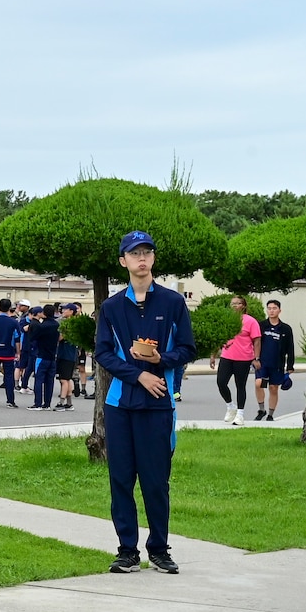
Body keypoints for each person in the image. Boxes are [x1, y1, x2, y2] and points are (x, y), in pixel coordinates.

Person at [94, 231, 194, 574]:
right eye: (134, 253)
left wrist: (158, 361)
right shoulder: (111, 306)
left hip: (158, 404)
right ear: (123, 261)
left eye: (147, 253)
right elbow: (103, 352)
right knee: (121, 479)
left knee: (155, 480)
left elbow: (187, 349)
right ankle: (126, 550)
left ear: (153, 259)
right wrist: (138, 375)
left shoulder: (172, 302)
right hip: (120, 403)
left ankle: (160, 549)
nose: (141, 258)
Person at [215, 295, 260, 426]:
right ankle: (230, 406)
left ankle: (240, 414)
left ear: (243, 306)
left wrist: (256, 358)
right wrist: (213, 355)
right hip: (227, 356)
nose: (234, 306)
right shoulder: (227, 320)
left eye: (237, 303)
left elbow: (257, 341)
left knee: (240, 386)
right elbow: (219, 337)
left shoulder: (251, 321)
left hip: (244, 358)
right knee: (221, 382)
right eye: (232, 304)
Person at [255, 299, 295, 421]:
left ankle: (270, 414)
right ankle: (261, 409)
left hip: (277, 364)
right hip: (262, 363)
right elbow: (255, 342)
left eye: (274, 308)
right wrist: (254, 359)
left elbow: (290, 348)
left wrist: (290, 366)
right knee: (259, 383)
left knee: (273, 388)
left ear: (279, 310)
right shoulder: (261, 326)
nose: (271, 311)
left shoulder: (285, 329)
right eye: (269, 308)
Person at [0, 299, 21, 407]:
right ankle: (10, 401)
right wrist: (18, 353)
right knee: (9, 377)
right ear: (10, 307)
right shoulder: (14, 322)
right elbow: (17, 339)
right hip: (8, 352)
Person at [27, 304, 61, 410]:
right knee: (49, 381)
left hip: (42, 356)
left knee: (39, 380)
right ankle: (47, 404)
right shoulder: (56, 325)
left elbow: (32, 337)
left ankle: (37, 403)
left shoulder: (42, 327)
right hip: (52, 356)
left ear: (44, 313)